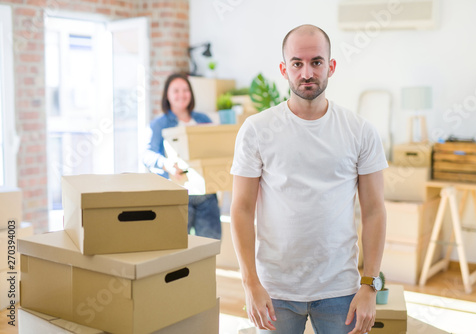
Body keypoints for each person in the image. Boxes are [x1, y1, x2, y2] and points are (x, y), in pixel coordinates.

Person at [230, 24, 387, 334]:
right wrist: (250, 283)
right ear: (283, 69)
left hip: (340, 290)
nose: (306, 73)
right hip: (275, 289)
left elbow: (374, 211)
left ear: (330, 66)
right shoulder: (257, 129)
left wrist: (370, 284)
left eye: (316, 62)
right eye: (297, 63)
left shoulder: (359, 130)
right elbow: (241, 208)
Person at [143, 73, 221, 240]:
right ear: (167, 95)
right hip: (176, 195)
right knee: (175, 249)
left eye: (185, 90)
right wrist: (166, 164)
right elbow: (147, 155)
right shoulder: (159, 124)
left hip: (206, 195)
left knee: (209, 247)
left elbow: (214, 149)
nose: (181, 95)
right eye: (176, 90)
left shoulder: (203, 119)